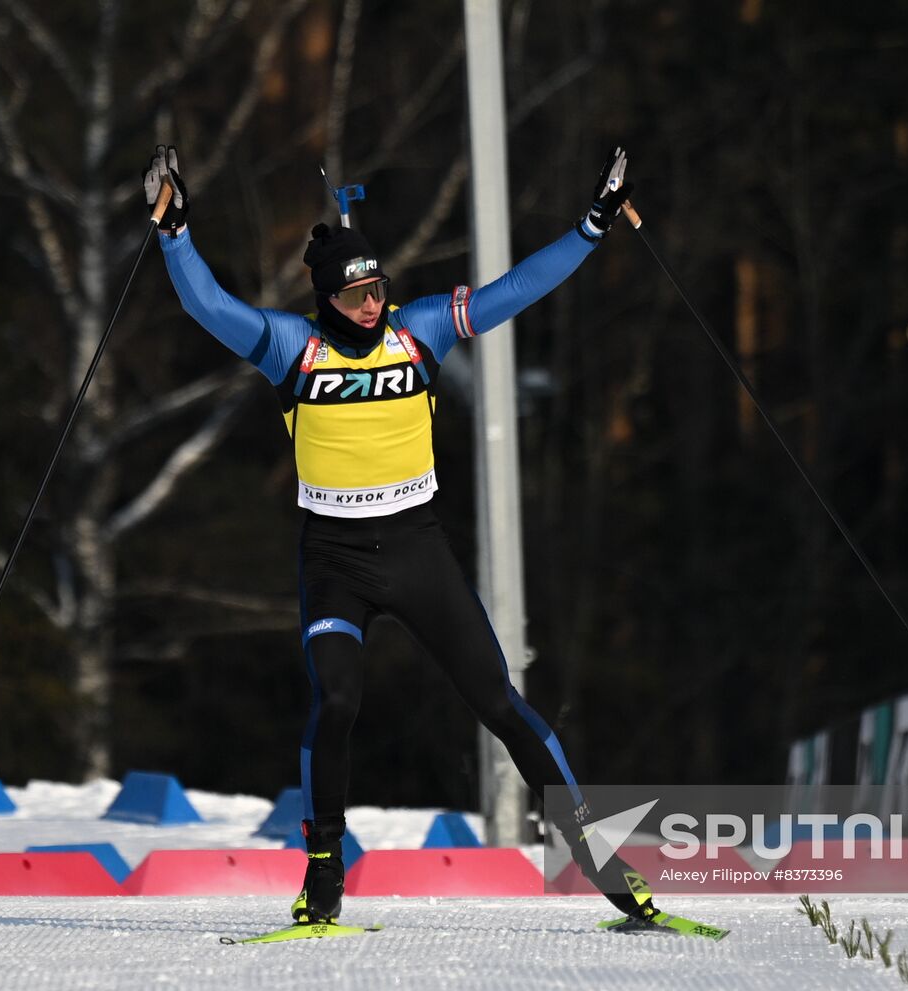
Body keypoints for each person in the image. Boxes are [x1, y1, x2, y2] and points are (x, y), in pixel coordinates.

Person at [144, 144, 657, 927]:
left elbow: (511, 292)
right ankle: (323, 871)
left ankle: (600, 861)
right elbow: (208, 306)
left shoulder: (419, 332)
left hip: (416, 550)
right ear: (326, 299)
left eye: (377, 290)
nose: (371, 305)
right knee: (337, 699)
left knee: (499, 701)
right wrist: (176, 230)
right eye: (354, 296)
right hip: (334, 559)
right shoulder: (291, 347)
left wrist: (590, 228)